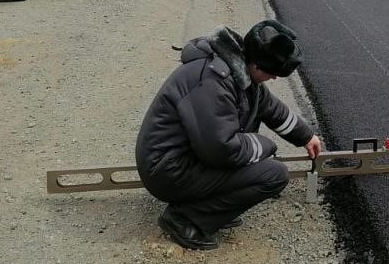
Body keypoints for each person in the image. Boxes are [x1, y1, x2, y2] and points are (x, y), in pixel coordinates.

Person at [135, 19, 323, 250]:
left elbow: (271, 108)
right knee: (273, 174)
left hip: (184, 159)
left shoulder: (238, 69)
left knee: (256, 160)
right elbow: (222, 149)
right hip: (168, 171)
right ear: (256, 65)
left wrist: (306, 137)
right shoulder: (212, 82)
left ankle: (212, 206)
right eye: (272, 74)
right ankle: (185, 219)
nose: (273, 79)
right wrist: (265, 145)